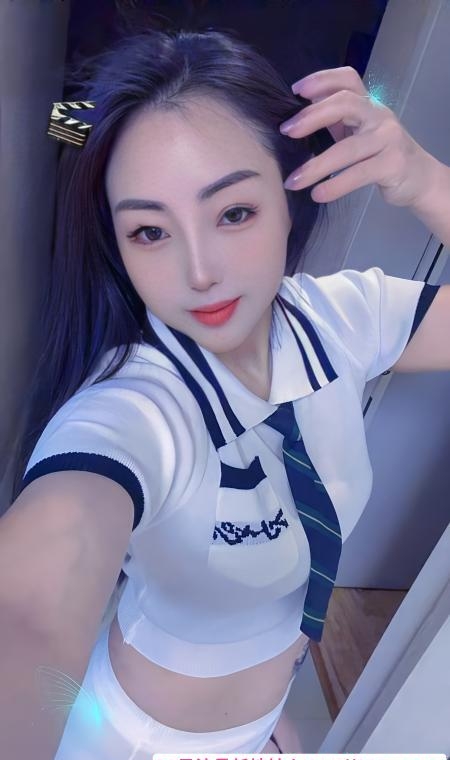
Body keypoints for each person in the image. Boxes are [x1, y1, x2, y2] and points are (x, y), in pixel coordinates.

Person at [4, 25, 445, 759]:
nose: (199, 271)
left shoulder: (340, 318)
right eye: (150, 232)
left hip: (257, 729)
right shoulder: (133, 409)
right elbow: (32, 606)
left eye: (234, 213)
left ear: (289, 197)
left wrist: (425, 180)